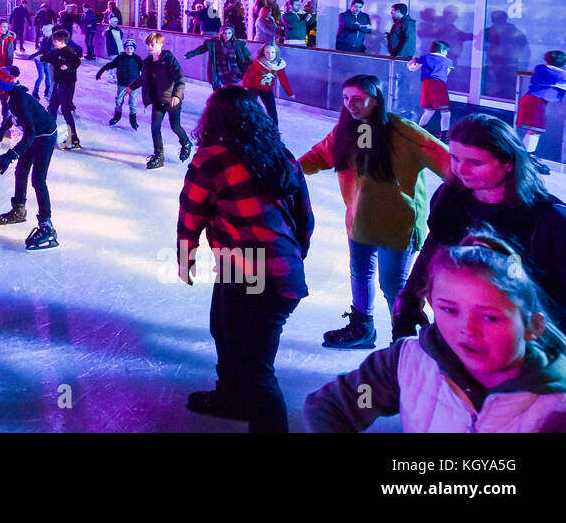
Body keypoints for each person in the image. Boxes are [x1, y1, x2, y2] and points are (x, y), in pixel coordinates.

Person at [304, 231, 566, 433]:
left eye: (489, 316)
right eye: (450, 310)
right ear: (430, 303)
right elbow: (335, 406)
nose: (468, 329)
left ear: (533, 326)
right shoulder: (409, 364)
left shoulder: (555, 406)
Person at [178, 86, 314, 432]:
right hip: (255, 267)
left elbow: (191, 212)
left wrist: (185, 257)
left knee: (256, 368)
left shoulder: (212, 159)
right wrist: (295, 255)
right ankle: (231, 398)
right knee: (222, 329)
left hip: (259, 272)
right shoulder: (279, 154)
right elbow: (305, 216)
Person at [299, 74, 450, 349]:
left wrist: (478, 186)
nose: (350, 105)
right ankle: (362, 328)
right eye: (346, 99)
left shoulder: (403, 131)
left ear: (376, 99)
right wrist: (285, 171)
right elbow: (318, 156)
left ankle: (405, 342)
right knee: (360, 273)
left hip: (397, 225)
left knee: (393, 286)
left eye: (358, 99)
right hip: (359, 222)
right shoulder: (344, 131)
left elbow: (446, 160)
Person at [393, 114, 566, 336]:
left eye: (475, 162)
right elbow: (436, 246)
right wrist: (409, 298)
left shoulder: (549, 219)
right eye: (454, 158)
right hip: (459, 328)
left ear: (508, 164)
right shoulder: (451, 197)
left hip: (525, 339)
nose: (460, 170)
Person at [0, 65, 60, 249]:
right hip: (35, 134)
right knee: (21, 171)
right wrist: (4, 128)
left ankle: (47, 225)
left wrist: (9, 155)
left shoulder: (18, 99)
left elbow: (30, 134)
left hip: (44, 136)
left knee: (38, 179)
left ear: (3, 88)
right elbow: (13, 116)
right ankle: (19, 210)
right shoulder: (11, 97)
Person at [142, 32, 191, 169]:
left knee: (175, 126)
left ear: (160, 45)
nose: (150, 47)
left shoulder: (169, 60)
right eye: (148, 45)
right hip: (158, 100)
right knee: (155, 127)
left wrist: (177, 95)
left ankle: (186, 143)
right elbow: (143, 79)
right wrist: (130, 87)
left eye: (153, 44)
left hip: (172, 100)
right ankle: (159, 156)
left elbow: (180, 79)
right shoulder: (148, 62)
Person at [33, 27, 83, 150]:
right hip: (58, 84)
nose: (53, 42)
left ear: (61, 41)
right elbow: (48, 57)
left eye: (55, 41)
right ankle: (49, 131)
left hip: (67, 84)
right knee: (52, 107)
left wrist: (68, 66)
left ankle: (74, 139)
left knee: (66, 111)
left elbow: (77, 62)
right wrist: (40, 57)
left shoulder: (69, 51)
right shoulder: (56, 52)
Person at [516, 51, 566, 175]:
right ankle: (527, 157)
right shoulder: (561, 74)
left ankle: (527, 155)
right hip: (537, 102)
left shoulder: (539, 68)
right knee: (535, 130)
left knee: (533, 129)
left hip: (528, 99)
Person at [409, 40, 454, 142]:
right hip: (439, 85)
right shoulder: (448, 61)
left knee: (429, 110)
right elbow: (447, 74)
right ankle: (443, 135)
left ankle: (419, 131)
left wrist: (413, 61)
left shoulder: (424, 58)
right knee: (445, 112)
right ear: (442, 50)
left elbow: (412, 68)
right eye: (446, 51)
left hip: (426, 85)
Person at [241, 42, 294, 128]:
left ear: (276, 53)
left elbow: (283, 79)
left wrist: (290, 92)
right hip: (253, 88)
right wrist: (244, 88)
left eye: (272, 52)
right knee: (250, 107)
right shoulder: (258, 63)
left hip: (266, 89)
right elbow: (247, 76)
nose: (270, 55)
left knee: (272, 110)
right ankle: (245, 127)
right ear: (263, 53)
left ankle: (274, 131)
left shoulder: (279, 65)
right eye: (267, 52)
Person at [184, 25, 252, 89]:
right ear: (221, 33)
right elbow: (201, 49)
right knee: (218, 94)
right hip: (218, 72)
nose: (227, 35)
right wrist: (189, 55)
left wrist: (255, 65)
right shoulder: (214, 43)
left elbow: (248, 56)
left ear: (232, 34)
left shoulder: (238, 44)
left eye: (229, 33)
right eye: (225, 33)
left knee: (232, 93)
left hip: (234, 72)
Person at [95, 37, 142, 129]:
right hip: (122, 84)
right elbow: (111, 64)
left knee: (133, 103)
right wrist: (101, 71)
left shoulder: (137, 59)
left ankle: (133, 120)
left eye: (131, 48)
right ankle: (117, 116)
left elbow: (145, 71)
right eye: (127, 48)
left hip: (134, 86)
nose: (129, 50)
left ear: (134, 49)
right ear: (125, 48)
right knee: (119, 101)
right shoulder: (120, 57)